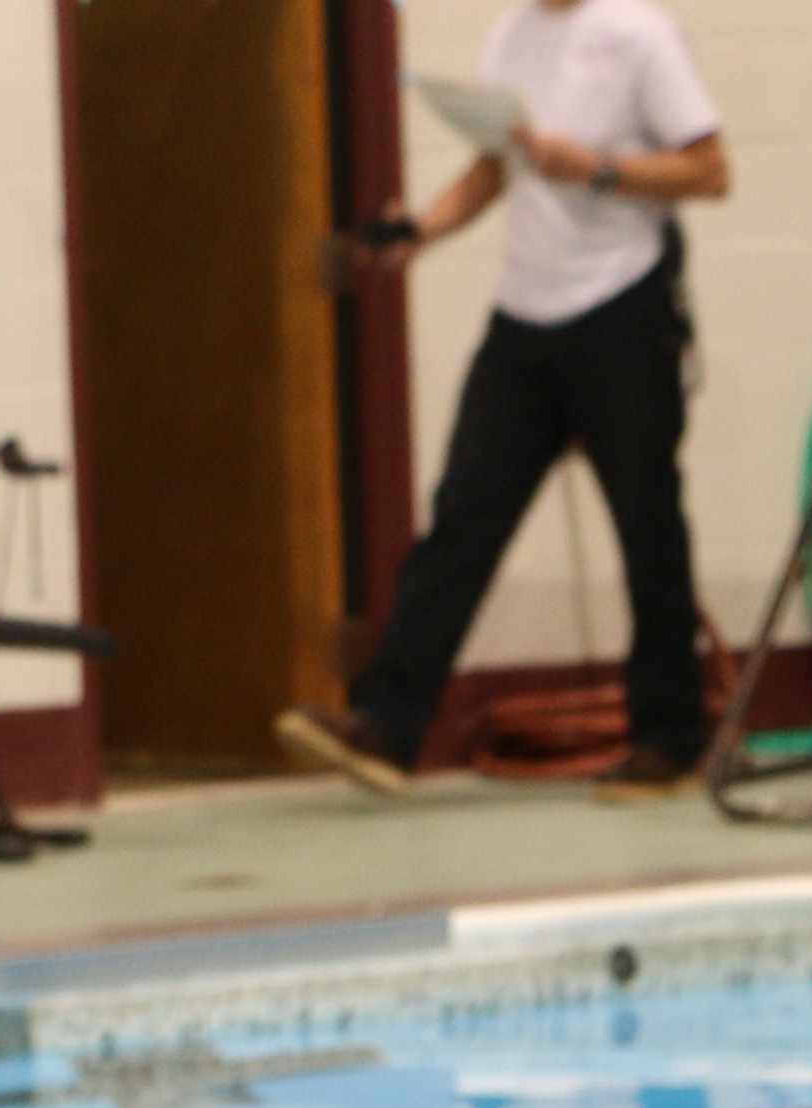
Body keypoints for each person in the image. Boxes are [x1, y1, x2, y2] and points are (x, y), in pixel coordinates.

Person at [273, 0, 729, 806]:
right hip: (525, 314)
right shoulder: (510, 37)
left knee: (647, 524)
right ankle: (387, 725)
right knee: (464, 515)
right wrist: (422, 228)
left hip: (623, 304)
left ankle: (670, 739)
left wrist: (597, 169)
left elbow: (709, 169)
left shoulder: (639, 34)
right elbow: (493, 167)